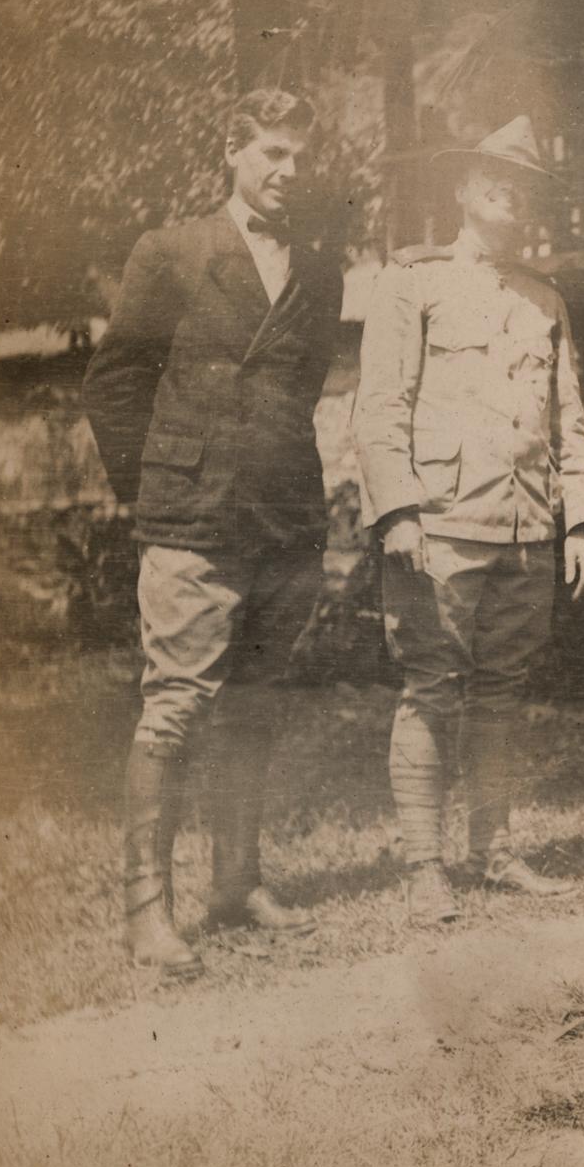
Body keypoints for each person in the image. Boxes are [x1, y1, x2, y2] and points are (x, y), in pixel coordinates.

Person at [82, 88, 340, 978]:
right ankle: (144, 914)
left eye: (301, 157)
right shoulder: (172, 252)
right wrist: (159, 491)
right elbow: (114, 383)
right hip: (193, 518)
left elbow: (299, 388)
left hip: (286, 517)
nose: (289, 172)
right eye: (272, 152)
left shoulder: (320, 267)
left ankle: (236, 885)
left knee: (255, 699)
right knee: (177, 706)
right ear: (232, 152)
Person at [353, 116, 584, 925]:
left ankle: (492, 851)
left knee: (501, 693)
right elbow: (380, 408)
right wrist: (397, 512)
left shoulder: (543, 298)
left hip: (526, 527)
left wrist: (581, 521)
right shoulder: (412, 282)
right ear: (461, 189)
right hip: (440, 526)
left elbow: (569, 419)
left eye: (524, 185)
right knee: (430, 689)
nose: (510, 194)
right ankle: (426, 867)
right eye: (495, 178)